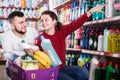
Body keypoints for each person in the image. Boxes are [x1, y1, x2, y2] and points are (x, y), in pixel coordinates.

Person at [35, 4, 106, 80]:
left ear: (54, 21)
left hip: (62, 68)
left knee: (84, 73)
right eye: (42, 21)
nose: (43, 22)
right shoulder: (41, 38)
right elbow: (37, 57)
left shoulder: (61, 31)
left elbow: (76, 24)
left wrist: (92, 10)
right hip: (50, 71)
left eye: (46, 20)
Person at [1, 11, 38, 79]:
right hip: (13, 68)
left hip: (31, 65)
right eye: (21, 23)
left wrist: (35, 49)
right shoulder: (6, 36)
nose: (24, 24)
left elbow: (40, 40)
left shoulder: (32, 31)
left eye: (24, 21)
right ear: (12, 26)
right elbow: (7, 54)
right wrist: (18, 58)